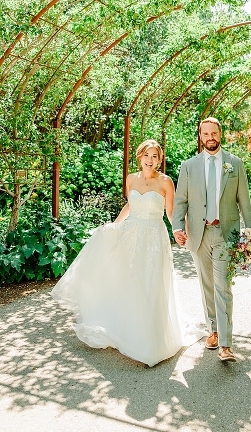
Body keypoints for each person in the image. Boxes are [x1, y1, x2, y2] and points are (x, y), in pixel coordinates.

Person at [51, 139, 205, 367]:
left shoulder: (165, 182)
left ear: (159, 159)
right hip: (131, 233)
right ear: (139, 156)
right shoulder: (131, 179)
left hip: (154, 236)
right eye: (146, 155)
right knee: (128, 281)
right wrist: (113, 225)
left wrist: (179, 231)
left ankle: (152, 341)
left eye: (154, 156)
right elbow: (130, 205)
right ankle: (129, 331)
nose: (150, 160)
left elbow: (171, 213)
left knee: (151, 282)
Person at [172, 117, 251, 362]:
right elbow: (181, 201)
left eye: (214, 133)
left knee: (223, 287)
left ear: (221, 134)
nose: (210, 138)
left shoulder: (235, 164)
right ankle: (214, 331)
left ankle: (226, 345)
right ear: (200, 136)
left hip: (225, 234)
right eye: (205, 133)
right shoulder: (188, 166)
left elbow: (245, 202)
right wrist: (178, 228)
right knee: (207, 286)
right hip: (198, 235)